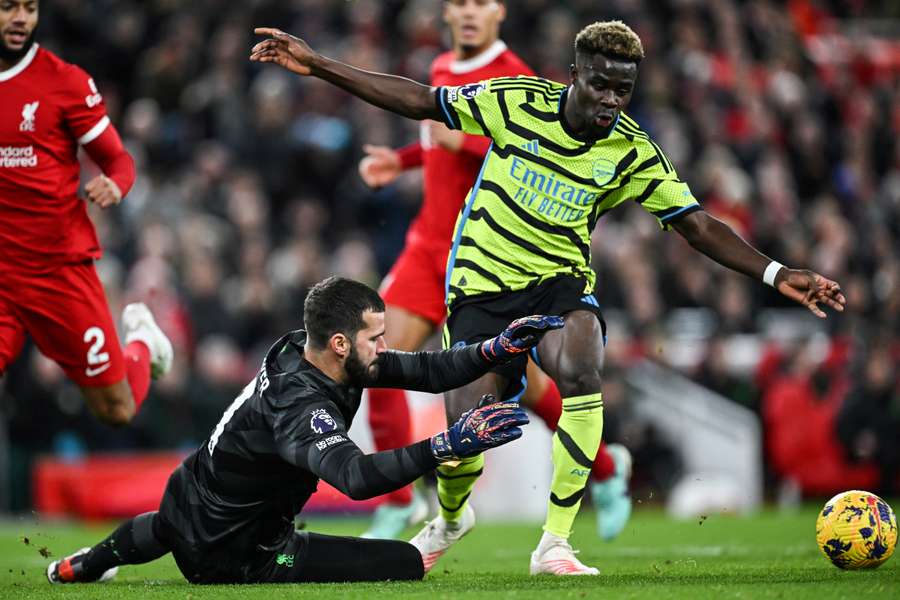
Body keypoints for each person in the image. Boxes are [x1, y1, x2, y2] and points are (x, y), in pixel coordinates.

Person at [249, 20, 846, 575]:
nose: (612, 100)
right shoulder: (518, 102)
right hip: (480, 287)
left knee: (583, 366)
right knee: (465, 439)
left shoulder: (633, 151)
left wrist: (775, 273)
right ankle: (453, 518)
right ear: (575, 74)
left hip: (560, 284)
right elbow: (418, 100)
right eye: (602, 85)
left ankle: (555, 541)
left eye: (624, 90)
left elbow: (695, 224)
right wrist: (320, 64)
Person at [46, 276, 561, 584]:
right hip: (238, 557)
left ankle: (82, 566)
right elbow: (356, 478)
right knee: (404, 563)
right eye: (375, 338)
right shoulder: (301, 405)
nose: (384, 348)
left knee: (166, 526)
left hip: (186, 498)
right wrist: (447, 444)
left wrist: (496, 349)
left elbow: (428, 369)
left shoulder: (310, 349)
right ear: (340, 342)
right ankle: (98, 562)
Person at [357, 0, 630, 541]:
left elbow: (538, 149)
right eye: (458, 3)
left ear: (499, 11)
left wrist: (468, 142)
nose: (467, 13)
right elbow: (441, 129)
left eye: (479, 3)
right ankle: (397, 501)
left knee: (525, 391)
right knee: (374, 358)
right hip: (430, 246)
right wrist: (405, 159)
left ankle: (606, 468)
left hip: (494, 259)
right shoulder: (439, 67)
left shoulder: (518, 78)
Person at [0, 0, 172, 426]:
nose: (20, 18)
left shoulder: (64, 82)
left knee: (117, 410)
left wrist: (116, 183)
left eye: (29, 8)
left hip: (57, 273)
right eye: (7, 7)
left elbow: (119, 160)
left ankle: (142, 343)